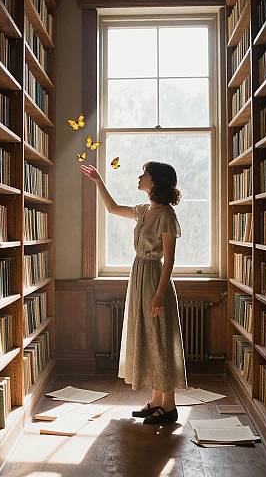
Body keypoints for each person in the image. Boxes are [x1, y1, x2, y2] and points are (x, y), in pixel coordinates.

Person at [80, 161, 187, 424]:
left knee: (160, 339)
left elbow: (170, 259)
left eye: (145, 174)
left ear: (156, 181)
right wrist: (97, 181)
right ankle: (157, 401)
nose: (140, 177)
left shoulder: (167, 215)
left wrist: (160, 295)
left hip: (153, 278)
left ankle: (169, 407)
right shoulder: (145, 211)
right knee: (148, 338)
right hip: (139, 276)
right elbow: (113, 208)